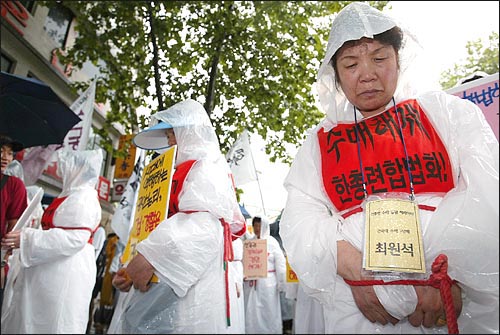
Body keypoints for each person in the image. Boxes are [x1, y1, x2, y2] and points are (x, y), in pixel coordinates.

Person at [280, 2, 498, 334]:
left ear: (399, 60)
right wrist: (355, 270)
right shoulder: (318, 144)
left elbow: (487, 194)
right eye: (351, 63)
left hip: (447, 296)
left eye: (379, 58)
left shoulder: (448, 114)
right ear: (336, 74)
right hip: (358, 310)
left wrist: (448, 274)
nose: (367, 74)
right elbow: (301, 220)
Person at [110, 98, 247, 333]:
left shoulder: (206, 168)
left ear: (188, 132)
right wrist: (130, 268)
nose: (169, 141)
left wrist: (147, 258)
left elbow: (203, 227)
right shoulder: (183, 171)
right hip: (168, 288)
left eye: (172, 134)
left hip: (193, 298)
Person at [1, 148, 103, 334]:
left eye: (66, 166)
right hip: (48, 274)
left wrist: (27, 238)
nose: (61, 170)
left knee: (56, 323)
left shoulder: (84, 198)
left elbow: (74, 239)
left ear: (78, 169)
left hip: (65, 274)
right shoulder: (70, 195)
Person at [243, 215, 287, 334]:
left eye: (259, 225)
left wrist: (281, 282)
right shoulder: (249, 243)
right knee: (252, 312)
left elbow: (280, 263)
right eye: (255, 225)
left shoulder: (272, 242)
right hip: (251, 284)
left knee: (269, 311)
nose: (257, 228)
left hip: (268, 284)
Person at [0, 135, 27, 314]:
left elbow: (14, 228)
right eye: (1, 151)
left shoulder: (14, 186)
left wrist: (2, 262)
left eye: (10, 153)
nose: (6, 157)